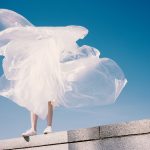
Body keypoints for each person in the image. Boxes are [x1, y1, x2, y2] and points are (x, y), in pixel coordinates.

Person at [0, 9, 127, 137]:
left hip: (48, 74)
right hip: (35, 75)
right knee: (33, 99)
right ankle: (33, 128)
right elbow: (19, 37)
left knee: (49, 98)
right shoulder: (29, 45)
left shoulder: (45, 43)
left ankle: (49, 126)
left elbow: (50, 41)